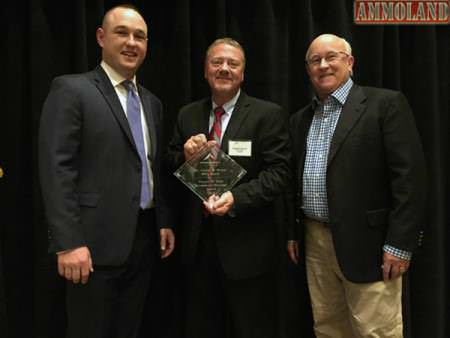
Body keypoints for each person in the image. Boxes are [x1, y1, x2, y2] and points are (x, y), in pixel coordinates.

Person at [38, 5, 174, 338]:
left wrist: (164, 220)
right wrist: (68, 243)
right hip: (91, 247)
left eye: (139, 36)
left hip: (143, 242)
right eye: (122, 33)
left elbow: (151, 166)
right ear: (101, 37)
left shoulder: (152, 103)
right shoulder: (72, 90)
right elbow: (57, 168)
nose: (132, 43)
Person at [287, 33, 427, 338]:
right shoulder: (300, 119)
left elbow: (409, 179)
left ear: (350, 63)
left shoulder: (384, 105)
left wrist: (400, 244)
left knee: (376, 331)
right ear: (308, 69)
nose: (323, 65)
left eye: (331, 57)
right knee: (328, 329)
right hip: (315, 240)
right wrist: (293, 233)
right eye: (315, 60)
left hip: (371, 245)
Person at [166, 38, 291, 338]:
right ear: (205, 71)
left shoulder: (267, 115)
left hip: (248, 248)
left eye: (232, 64)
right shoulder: (187, 115)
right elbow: (168, 165)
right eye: (217, 63)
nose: (224, 68)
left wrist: (236, 198)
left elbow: (280, 173)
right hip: (198, 247)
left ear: (243, 73)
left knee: (252, 328)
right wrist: (183, 156)